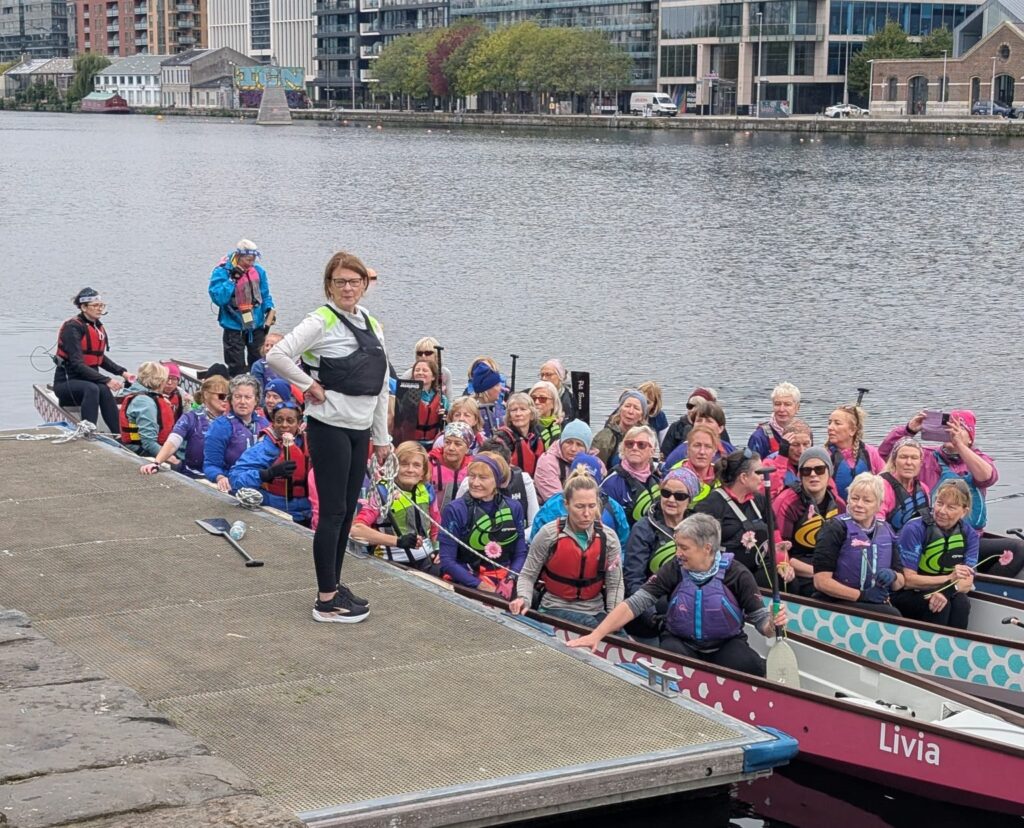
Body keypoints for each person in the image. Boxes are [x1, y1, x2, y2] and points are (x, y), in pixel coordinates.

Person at [267, 250, 391, 624]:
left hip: (359, 429)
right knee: (333, 512)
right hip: (329, 427)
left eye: (354, 281)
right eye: (340, 282)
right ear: (329, 286)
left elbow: (380, 384)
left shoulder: (371, 323)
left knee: (347, 511)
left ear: (364, 285)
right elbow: (277, 355)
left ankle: (334, 585)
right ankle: (326, 601)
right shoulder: (321, 320)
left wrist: (382, 437)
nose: (348, 288)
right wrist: (308, 385)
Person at [569, 513, 787, 677]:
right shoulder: (674, 568)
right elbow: (635, 604)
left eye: (684, 548)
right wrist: (597, 634)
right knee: (670, 658)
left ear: (707, 548)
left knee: (751, 666)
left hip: (725, 644)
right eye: (677, 547)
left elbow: (762, 623)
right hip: (681, 643)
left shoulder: (737, 574)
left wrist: (773, 623)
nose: (678, 553)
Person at [880, 409, 1024, 577]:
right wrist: (908, 430)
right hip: (933, 536)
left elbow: (987, 477)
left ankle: (989, 584)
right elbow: (885, 455)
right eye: (948, 428)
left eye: (958, 428)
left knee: (1018, 549)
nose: (951, 433)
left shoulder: (980, 459)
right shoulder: (927, 457)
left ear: (970, 438)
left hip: (969, 538)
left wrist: (960, 446)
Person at [509, 467, 624, 629]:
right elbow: (528, 575)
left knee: (616, 634)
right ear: (567, 505)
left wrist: (613, 620)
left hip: (595, 609)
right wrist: (524, 598)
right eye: (580, 506)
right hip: (554, 607)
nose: (587, 513)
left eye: (592, 506)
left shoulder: (609, 538)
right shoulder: (549, 534)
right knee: (591, 626)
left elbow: (615, 584)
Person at [622, 467, 701, 638]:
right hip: (651, 609)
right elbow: (633, 580)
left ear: (690, 499)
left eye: (679, 496)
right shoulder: (643, 528)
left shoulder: (699, 530)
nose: (671, 499)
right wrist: (653, 618)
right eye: (666, 493)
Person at [812, 472, 905, 616]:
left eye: (867, 501)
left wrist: (893, 576)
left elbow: (900, 583)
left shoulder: (887, 530)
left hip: (873, 600)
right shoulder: (834, 528)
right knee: (892, 615)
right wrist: (862, 596)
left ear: (878, 505)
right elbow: (821, 582)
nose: (859, 505)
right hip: (835, 600)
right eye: (855, 498)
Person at [439, 452, 527, 595]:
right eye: (472, 476)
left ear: (497, 481)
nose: (475, 483)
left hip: (504, 578)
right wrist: (482, 586)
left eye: (483, 478)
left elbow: (520, 552)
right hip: (466, 578)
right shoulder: (455, 509)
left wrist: (511, 578)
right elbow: (447, 560)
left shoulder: (514, 507)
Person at [894, 479, 978, 629]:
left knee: (962, 603)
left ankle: (956, 641)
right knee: (939, 606)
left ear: (964, 511)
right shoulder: (914, 528)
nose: (942, 511)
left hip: (942, 589)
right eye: (939, 503)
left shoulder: (969, 535)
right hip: (907, 593)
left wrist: (946, 591)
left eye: (951, 507)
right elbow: (908, 580)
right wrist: (948, 579)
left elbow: (967, 582)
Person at [351, 441, 441, 574]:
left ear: (423, 472)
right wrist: (397, 541)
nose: (410, 470)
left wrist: (438, 549)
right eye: (404, 464)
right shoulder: (382, 492)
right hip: (391, 563)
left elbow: (436, 526)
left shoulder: (427, 490)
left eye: (416, 465)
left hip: (426, 560)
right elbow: (355, 530)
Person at [53, 287, 131, 433]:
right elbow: (77, 364)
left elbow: (99, 357)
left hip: (88, 382)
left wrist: (123, 373)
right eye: (95, 305)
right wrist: (107, 379)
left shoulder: (97, 327)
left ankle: (119, 435)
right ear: (83, 307)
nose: (99, 309)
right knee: (93, 388)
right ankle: (88, 434)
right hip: (66, 384)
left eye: (101, 305)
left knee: (103, 389)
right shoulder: (72, 328)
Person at [771, 447, 845, 597]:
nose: (813, 475)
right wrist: (821, 575)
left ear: (829, 472)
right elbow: (780, 550)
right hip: (798, 568)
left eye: (819, 469)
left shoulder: (839, 504)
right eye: (806, 471)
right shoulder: (786, 503)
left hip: (829, 567)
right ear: (800, 475)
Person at [229, 402, 312, 524]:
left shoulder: (311, 445)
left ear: (299, 423)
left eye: (290, 421)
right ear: (273, 422)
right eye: (279, 421)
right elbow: (235, 480)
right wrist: (268, 473)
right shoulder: (262, 448)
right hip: (276, 512)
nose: (284, 425)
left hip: (310, 512)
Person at [692, 448, 769, 578]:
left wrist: (782, 563)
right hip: (725, 575)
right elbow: (697, 547)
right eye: (758, 473)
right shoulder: (711, 505)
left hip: (758, 569)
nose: (762, 477)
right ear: (743, 477)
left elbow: (775, 534)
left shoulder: (759, 500)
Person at [208, 239, 276, 376]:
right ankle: (236, 383)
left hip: (256, 325)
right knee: (236, 365)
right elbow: (219, 298)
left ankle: (258, 385)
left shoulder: (258, 271)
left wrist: (269, 308)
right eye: (248, 260)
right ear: (238, 256)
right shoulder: (222, 272)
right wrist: (232, 280)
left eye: (253, 260)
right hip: (234, 326)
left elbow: (265, 295)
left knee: (259, 362)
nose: (250, 264)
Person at [139, 375, 230, 477]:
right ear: (206, 395)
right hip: (195, 475)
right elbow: (173, 441)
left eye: (229, 397)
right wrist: (157, 463)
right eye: (222, 396)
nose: (225, 400)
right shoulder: (190, 418)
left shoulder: (234, 420)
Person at [531, 454, 630, 546]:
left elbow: (623, 545)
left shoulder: (613, 508)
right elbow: (536, 543)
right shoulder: (553, 506)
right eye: (579, 506)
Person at [202, 373, 270, 492]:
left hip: (262, 483)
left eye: (248, 397)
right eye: (238, 397)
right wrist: (220, 477)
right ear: (231, 400)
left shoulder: (264, 424)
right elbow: (211, 465)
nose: (242, 402)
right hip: (233, 485)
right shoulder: (220, 426)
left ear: (256, 400)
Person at [458, 438, 540, 533]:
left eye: (498, 468)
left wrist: (512, 537)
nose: (496, 474)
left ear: (509, 464)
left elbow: (534, 524)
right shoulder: (468, 484)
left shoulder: (524, 480)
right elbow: (457, 518)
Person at [601, 425, 661, 527]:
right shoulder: (611, 483)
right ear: (624, 449)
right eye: (629, 444)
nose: (634, 448)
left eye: (641, 445)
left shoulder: (657, 478)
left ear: (652, 451)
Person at [825, 405, 884, 501]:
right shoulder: (825, 457)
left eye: (837, 423)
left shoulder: (871, 453)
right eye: (829, 423)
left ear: (852, 430)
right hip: (837, 509)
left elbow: (886, 485)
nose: (830, 427)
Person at [119, 361, 174, 458]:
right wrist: (171, 459)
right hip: (141, 450)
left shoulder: (142, 395)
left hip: (149, 446)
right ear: (160, 382)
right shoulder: (144, 402)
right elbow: (149, 443)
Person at [533, 419, 596, 504]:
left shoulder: (594, 462)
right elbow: (556, 502)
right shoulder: (547, 462)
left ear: (587, 449)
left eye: (579, 444)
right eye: (569, 442)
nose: (573, 449)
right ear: (561, 442)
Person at [662, 400, 734, 469]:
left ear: (720, 428)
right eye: (699, 421)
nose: (703, 424)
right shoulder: (679, 454)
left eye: (709, 421)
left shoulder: (730, 451)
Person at [880, 436, 931, 532]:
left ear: (920, 463)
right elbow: (877, 524)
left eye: (914, 458)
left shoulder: (924, 488)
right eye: (903, 457)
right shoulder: (881, 486)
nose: (909, 462)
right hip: (890, 537)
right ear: (894, 461)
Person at [593, 389, 648, 467]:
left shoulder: (646, 439)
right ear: (620, 409)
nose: (630, 411)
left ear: (641, 416)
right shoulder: (604, 438)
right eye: (627, 406)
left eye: (636, 408)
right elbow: (594, 467)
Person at [494, 392, 545, 477]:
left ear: (532, 415)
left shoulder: (538, 435)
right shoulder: (501, 438)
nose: (518, 414)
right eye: (514, 410)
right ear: (509, 416)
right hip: (512, 480)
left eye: (523, 409)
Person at [428, 422, 475, 511]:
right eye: (447, 442)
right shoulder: (429, 464)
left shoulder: (473, 468)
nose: (451, 448)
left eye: (457, 444)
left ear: (467, 448)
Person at [661, 387, 720, 457]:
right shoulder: (675, 427)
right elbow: (665, 454)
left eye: (698, 407)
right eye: (690, 406)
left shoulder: (717, 428)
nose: (692, 410)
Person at [747, 382, 802, 457]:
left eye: (787, 404)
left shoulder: (804, 433)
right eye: (777, 404)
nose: (781, 409)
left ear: (797, 408)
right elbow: (750, 464)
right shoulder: (758, 438)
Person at [672, 424, 720, 503]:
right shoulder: (675, 475)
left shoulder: (721, 476)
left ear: (714, 451)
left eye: (708, 446)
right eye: (697, 445)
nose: (702, 452)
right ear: (688, 449)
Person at [410, 358, 448, 447]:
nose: (420, 373)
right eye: (417, 370)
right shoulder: (406, 394)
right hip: (411, 443)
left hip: (433, 442)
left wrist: (445, 416)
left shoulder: (442, 399)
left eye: (425, 370)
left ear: (433, 377)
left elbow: (448, 422)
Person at [470, 360, 505, 437]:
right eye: (497, 385)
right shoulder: (472, 410)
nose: (501, 388)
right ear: (486, 390)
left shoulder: (498, 407)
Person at [529, 381, 563, 449]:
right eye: (533, 398)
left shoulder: (562, 424)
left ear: (553, 403)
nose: (536, 402)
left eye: (543, 399)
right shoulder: (526, 424)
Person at [639, 381, 668, 445]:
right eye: (640, 400)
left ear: (654, 405)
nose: (642, 404)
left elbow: (664, 445)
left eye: (647, 402)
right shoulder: (627, 412)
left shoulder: (660, 416)